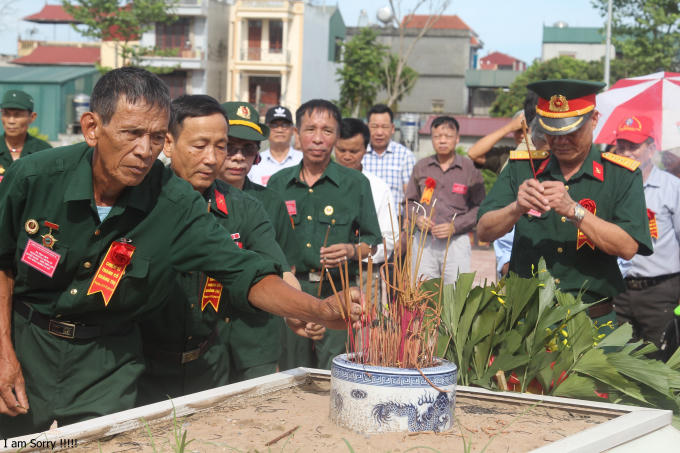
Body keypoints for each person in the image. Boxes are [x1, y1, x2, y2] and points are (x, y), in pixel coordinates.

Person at [0, 68, 359, 437]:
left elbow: (242, 271)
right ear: (92, 128)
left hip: (109, 363)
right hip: (25, 347)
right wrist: (3, 353)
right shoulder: (34, 178)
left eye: (156, 137)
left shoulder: (173, 201)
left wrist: (318, 309)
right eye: (131, 133)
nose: (145, 150)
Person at [136, 95, 295, 404]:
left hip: (210, 358)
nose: (214, 158)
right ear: (168, 143)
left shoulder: (248, 206)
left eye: (221, 147)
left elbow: (279, 270)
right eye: (200, 146)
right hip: (143, 362)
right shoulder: (138, 196)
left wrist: (307, 309)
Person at [477, 79, 653, 328]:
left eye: (571, 132)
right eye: (553, 132)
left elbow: (627, 247)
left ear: (594, 119)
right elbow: (484, 230)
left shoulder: (621, 175)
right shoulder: (521, 167)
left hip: (592, 323)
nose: (561, 141)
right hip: (527, 323)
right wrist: (516, 208)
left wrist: (575, 211)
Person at [268, 100, 382, 370]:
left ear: (337, 136)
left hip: (339, 293)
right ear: (297, 134)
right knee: (292, 373)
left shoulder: (356, 184)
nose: (318, 139)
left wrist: (351, 250)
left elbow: (372, 242)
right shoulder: (278, 183)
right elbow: (267, 243)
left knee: (334, 372)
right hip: (292, 292)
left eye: (327, 131)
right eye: (310, 129)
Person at [219, 101, 321, 383]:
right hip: (208, 333)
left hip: (256, 333)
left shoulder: (269, 202)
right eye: (230, 147)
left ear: (257, 156)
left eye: (247, 149)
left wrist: (301, 310)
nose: (238, 157)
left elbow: (285, 268)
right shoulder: (193, 199)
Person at [611, 115, 680, 348]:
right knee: (617, 360)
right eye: (622, 146)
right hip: (619, 291)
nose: (626, 153)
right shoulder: (610, 187)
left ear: (651, 149)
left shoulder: (672, 188)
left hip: (660, 292)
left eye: (634, 147)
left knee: (659, 360)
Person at [404, 116, 485, 284]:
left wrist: (455, 226)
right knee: (422, 291)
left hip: (456, 242)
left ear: (457, 139)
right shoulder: (421, 167)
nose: (442, 141)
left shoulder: (469, 169)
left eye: (447, 136)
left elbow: (480, 207)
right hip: (424, 242)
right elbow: (409, 202)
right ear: (432, 139)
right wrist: (417, 219)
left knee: (455, 293)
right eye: (437, 136)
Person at [468, 92, 540, 174]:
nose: (522, 135)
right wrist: (509, 127)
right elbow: (473, 153)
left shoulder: (544, 157)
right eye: (518, 130)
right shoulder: (506, 155)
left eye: (526, 130)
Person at [362, 104, 416, 213]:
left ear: (392, 128)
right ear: (367, 127)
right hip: (363, 218)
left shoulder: (405, 156)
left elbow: (410, 195)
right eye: (374, 126)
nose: (379, 132)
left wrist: (408, 219)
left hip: (395, 219)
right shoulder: (359, 154)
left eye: (384, 127)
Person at [0, 90, 51, 179]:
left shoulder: (44, 152)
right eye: (6, 114)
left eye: (17, 115)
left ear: (32, 117)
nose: (11, 121)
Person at [247, 105, 302, 186]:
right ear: (266, 130)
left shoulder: (303, 160)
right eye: (274, 125)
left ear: (293, 130)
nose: (279, 130)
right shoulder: (255, 162)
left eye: (284, 125)